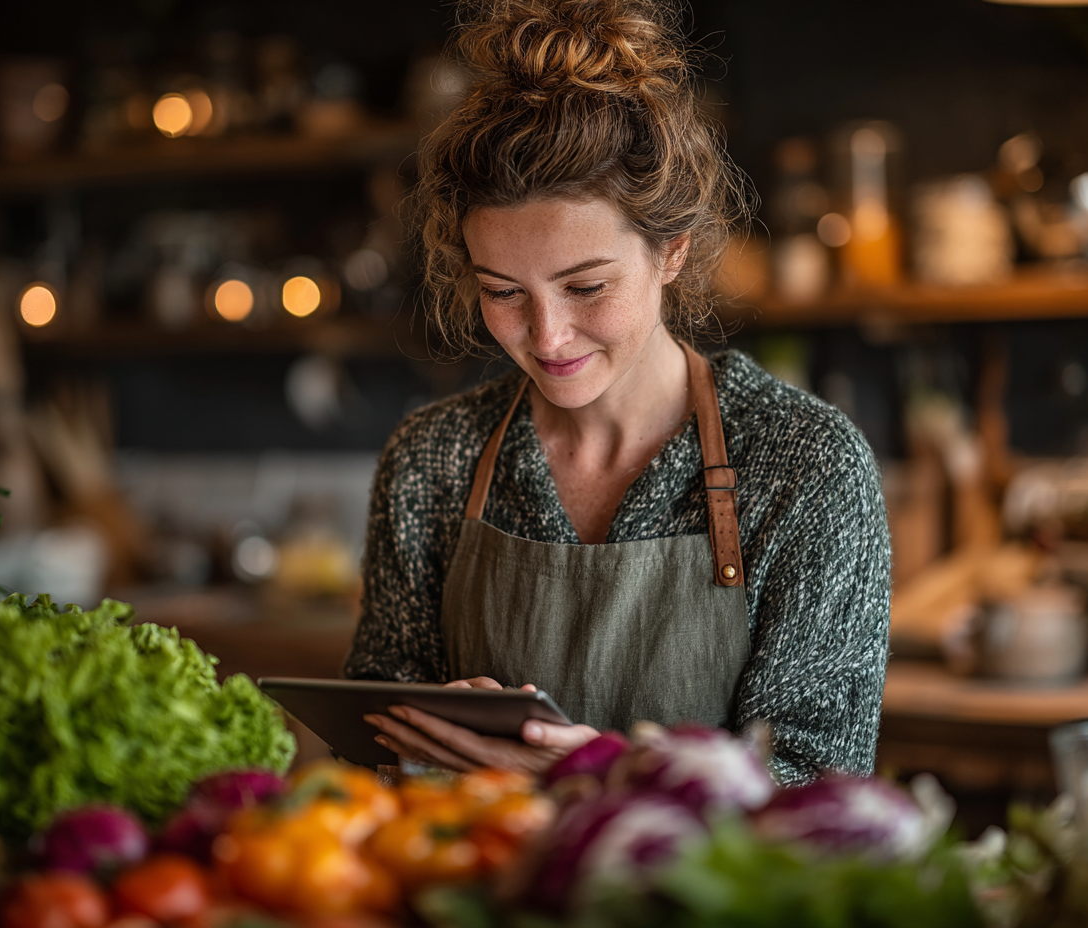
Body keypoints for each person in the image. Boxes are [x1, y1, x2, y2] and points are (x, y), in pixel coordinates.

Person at [344, 0, 890, 785]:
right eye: (503, 291)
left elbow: (819, 789)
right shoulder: (433, 459)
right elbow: (365, 744)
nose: (548, 334)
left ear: (671, 251)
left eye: (586, 286)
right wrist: (417, 739)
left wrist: (603, 775)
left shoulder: (804, 465)